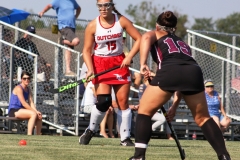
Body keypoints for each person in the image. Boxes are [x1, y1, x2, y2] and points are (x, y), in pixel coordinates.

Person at [129, 11, 231, 160]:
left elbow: (145, 37)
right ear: (174, 29)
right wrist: (174, 106)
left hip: (171, 70)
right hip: (194, 71)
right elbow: (179, 80)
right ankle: (224, 156)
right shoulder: (182, 43)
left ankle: (138, 157)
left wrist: (143, 63)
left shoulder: (156, 34)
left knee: (144, 111)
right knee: (203, 118)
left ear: (157, 26)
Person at [79, 0, 141, 146]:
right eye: (100, 5)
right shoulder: (92, 25)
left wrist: (129, 56)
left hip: (119, 63)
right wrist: (90, 68)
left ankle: (125, 138)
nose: (103, 8)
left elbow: (139, 39)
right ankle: (91, 130)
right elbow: (86, 50)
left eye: (106, 5)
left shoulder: (121, 21)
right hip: (100, 63)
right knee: (103, 102)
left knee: (123, 102)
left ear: (112, 6)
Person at [39, 0, 81, 77]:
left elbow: (78, 8)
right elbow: (49, 6)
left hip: (72, 27)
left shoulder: (72, 1)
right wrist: (43, 12)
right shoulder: (58, 1)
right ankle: (62, 41)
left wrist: (76, 16)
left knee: (69, 49)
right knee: (76, 41)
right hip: (64, 27)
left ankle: (68, 70)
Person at [129, 71, 173, 140]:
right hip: (146, 110)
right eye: (152, 77)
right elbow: (142, 101)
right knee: (162, 119)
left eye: (154, 77)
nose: (153, 78)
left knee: (167, 117)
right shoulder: (142, 87)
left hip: (154, 109)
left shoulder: (154, 87)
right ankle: (148, 131)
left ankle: (169, 136)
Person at [8, 71, 42, 135]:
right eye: (24, 78)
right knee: (33, 114)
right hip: (14, 111)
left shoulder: (28, 89)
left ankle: (38, 136)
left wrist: (36, 111)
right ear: (21, 79)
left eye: (28, 78)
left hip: (21, 110)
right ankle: (29, 135)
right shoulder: (18, 88)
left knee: (39, 116)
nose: (26, 80)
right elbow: (24, 103)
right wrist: (34, 112)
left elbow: (31, 102)